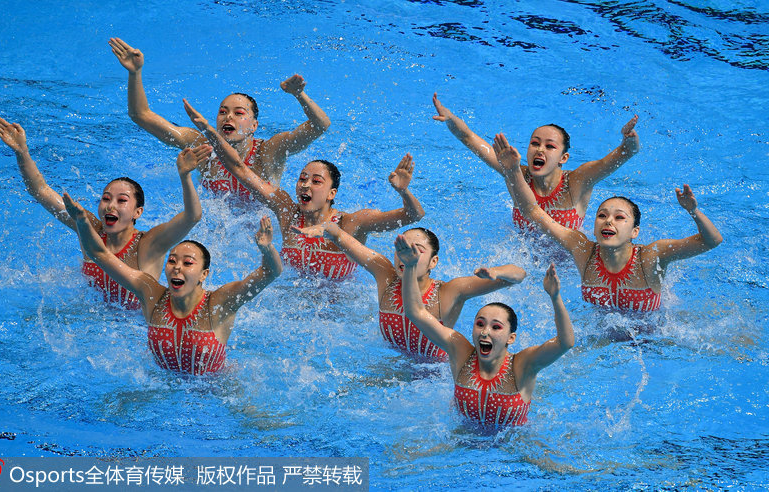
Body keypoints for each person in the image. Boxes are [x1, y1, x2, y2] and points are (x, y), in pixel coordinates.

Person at [183, 99, 426, 280]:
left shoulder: (352, 224)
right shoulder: (286, 211)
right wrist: (209, 131)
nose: (305, 185)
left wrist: (403, 192)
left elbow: (413, 216)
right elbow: (240, 169)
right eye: (302, 179)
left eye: (316, 181)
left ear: (332, 194)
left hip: (341, 310)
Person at [0, 115, 209, 310]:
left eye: (122, 201)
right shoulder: (89, 228)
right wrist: (22, 152)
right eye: (106, 198)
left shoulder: (149, 244)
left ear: (137, 212)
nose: (110, 206)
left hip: (136, 324)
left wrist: (185, 177)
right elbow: (40, 190)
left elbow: (193, 217)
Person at [492, 132, 723, 312]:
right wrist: (513, 171)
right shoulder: (582, 249)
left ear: (634, 232)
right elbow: (532, 211)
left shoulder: (651, 257)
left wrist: (694, 211)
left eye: (619, 217)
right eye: (602, 216)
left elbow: (711, 241)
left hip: (654, 340)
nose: (608, 222)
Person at [64, 193, 282, 374]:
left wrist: (267, 249)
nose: (177, 267)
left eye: (188, 263)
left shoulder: (219, 303)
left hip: (217, 390)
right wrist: (82, 222)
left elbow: (271, 272)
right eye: (172, 261)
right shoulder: (151, 293)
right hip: (162, 387)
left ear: (203, 274)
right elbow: (100, 254)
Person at [109, 37, 331, 202]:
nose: (228, 117)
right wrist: (135, 73)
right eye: (223, 112)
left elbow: (321, 125)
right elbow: (141, 116)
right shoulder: (202, 147)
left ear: (254, 126)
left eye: (239, 113)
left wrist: (299, 95)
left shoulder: (269, 151)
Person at [396, 234, 574, 427]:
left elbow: (565, 343)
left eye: (496, 327)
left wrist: (555, 298)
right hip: (461, 438)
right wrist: (410, 267)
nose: (485, 332)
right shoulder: (460, 352)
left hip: (513, 442)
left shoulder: (523, 365)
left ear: (511, 338)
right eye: (480, 324)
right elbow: (416, 312)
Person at [291, 223, 526, 362]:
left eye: (416, 250)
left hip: (434, 375)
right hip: (389, 362)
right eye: (401, 248)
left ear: (433, 262)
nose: (406, 256)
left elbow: (519, 274)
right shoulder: (385, 274)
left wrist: (496, 272)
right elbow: (339, 235)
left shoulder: (449, 291)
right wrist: (324, 228)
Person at [432, 93, 639, 230]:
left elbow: (625, 154)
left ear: (563, 158)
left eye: (550, 146)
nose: (540, 149)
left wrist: (628, 140)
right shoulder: (514, 172)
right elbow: (469, 137)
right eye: (535, 143)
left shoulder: (578, 180)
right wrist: (451, 119)